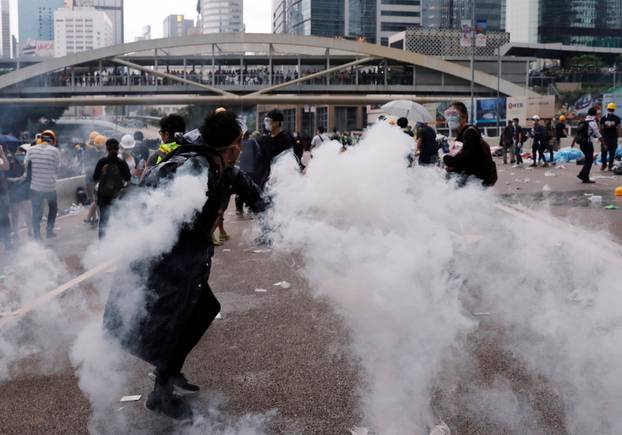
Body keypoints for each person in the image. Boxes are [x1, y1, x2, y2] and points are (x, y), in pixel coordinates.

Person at [103, 109, 267, 420]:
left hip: (185, 266)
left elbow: (253, 194)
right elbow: (147, 200)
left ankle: (167, 374)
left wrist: (277, 219)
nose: (241, 150)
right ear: (233, 145)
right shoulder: (190, 167)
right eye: (240, 144)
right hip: (165, 265)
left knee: (199, 312)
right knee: (173, 322)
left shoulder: (222, 168)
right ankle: (162, 389)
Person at [442, 101, 497, 187]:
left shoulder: (470, 133)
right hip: (473, 180)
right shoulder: (462, 135)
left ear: (464, 117)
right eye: (448, 115)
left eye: (454, 114)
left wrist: (448, 160)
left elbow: (467, 158)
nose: (450, 118)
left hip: (477, 181)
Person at [25, 130, 60, 240]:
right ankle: (49, 231)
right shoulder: (55, 151)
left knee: (36, 211)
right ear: (52, 140)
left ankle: (37, 235)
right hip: (50, 187)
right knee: (53, 209)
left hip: (35, 187)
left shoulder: (31, 150)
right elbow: (58, 167)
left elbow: (25, 164)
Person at [93, 138, 131, 239]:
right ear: (118, 149)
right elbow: (128, 179)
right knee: (118, 220)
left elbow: (95, 178)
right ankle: (116, 243)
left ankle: (102, 244)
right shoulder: (122, 163)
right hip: (117, 198)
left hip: (104, 197)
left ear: (107, 148)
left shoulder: (102, 162)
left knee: (104, 221)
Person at [256, 109, 295, 188]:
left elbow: (288, 159)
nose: (266, 123)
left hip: (279, 179)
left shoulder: (285, 139)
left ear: (277, 122)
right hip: (265, 176)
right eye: (265, 120)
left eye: (269, 120)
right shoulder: (264, 139)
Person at [7, 144, 32, 239]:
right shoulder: (11, 163)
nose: (20, 154)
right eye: (18, 153)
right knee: (15, 214)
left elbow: (30, 177)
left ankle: (30, 230)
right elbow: (6, 177)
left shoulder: (28, 164)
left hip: (26, 192)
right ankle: (16, 233)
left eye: (22, 153)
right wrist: (15, 180)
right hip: (14, 192)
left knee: (28, 212)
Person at [572, 107, 603, 184]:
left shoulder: (584, 121)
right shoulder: (592, 122)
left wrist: (573, 142)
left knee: (588, 160)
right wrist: (604, 143)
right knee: (589, 161)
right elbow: (598, 134)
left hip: (582, 144)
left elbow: (577, 133)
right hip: (588, 144)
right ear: (595, 114)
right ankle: (584, 177)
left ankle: (583, 175)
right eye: (597, 113)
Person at [84, 134, 107, 226]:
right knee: (97, 200)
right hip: (96, 180)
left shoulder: (90, 151)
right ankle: (93, 218)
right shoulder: (102, 155)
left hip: (88, 178)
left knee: (93, 199)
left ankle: (93, 219)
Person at [599, 102, 620, 171]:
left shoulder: (603, 118)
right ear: (614, 109)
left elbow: (601, 128)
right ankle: (610, 166)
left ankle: (603, 165)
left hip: (605, 138)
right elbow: (619, 128)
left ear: (607, 108)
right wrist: (619, 136)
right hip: (613, 138)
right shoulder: (617, 118)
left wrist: (601, 136)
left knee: (604, 152)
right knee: (612, 152)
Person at [0, 144, 11, 249]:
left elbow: (6, 167)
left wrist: (2, 153)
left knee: (4, 218)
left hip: (2, 193)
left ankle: (7, 243)